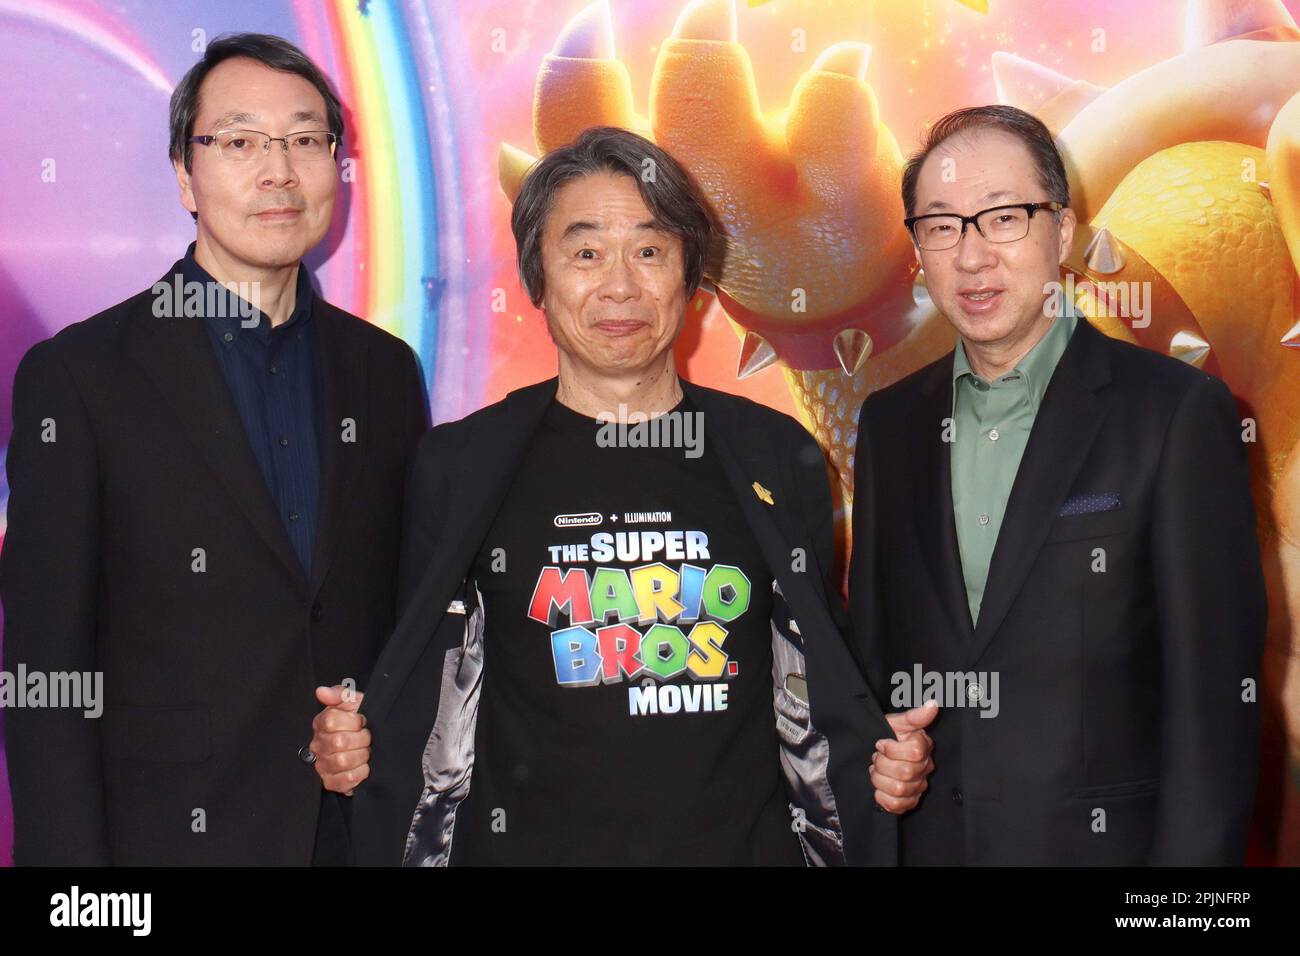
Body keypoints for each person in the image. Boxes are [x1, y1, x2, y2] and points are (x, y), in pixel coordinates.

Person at [310, 126, 936, 865]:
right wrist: (350, 738)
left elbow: (824, 680)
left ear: (690, 277)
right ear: (538, 277)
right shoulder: (459, 464)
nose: (620, 287)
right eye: (584, 253)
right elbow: (417, 683)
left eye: (649, 251)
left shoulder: (777, 454)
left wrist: (884, 757)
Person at [0, 33, 427, 865]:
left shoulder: (383, 372)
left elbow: (404, 620)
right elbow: (47, 680)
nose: (279, 172)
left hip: (350, 840)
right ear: (185, 175)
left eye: (307, 141)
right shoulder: (82, 379)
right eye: (239, 142)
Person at [849, 104, 1266, 864]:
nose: (972, 257)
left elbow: (1215, 711)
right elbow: (877, 674)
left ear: (1063, 231)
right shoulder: (889, 425)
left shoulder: (1174, 413)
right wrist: (884, 750)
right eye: (941, 226)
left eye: (1003, 218)